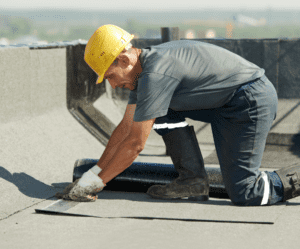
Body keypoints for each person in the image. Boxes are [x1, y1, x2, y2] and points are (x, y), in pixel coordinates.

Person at [57, 24, 300, 206]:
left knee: (246, 192)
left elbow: (134, 144)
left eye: (110, 76)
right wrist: (91, 175)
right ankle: (192, 180)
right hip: (225, 104)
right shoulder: (141, 76)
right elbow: (125, 130)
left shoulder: (156, 75)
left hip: (250, 101)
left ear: (123, 59)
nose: (112, 85)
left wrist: (97, 184)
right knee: (157, 112)